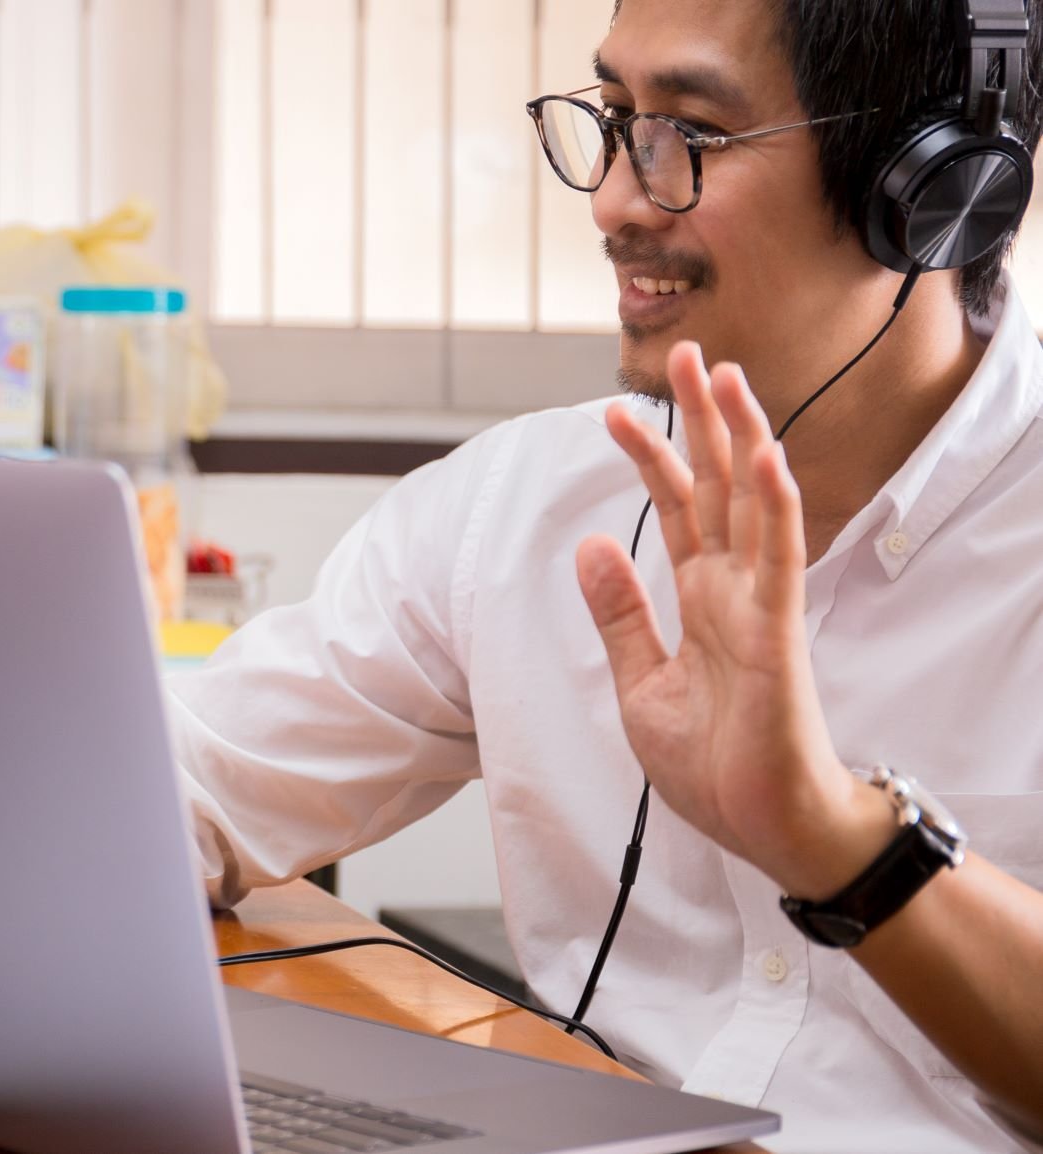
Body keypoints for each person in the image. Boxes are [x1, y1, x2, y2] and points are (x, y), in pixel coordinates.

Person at [167, 1, 1043, 1149]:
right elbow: (175, 788)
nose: (615, 200)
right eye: (618, 119)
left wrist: (840, 839)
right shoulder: (519, 505)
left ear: (930, 186)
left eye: (687, 132)